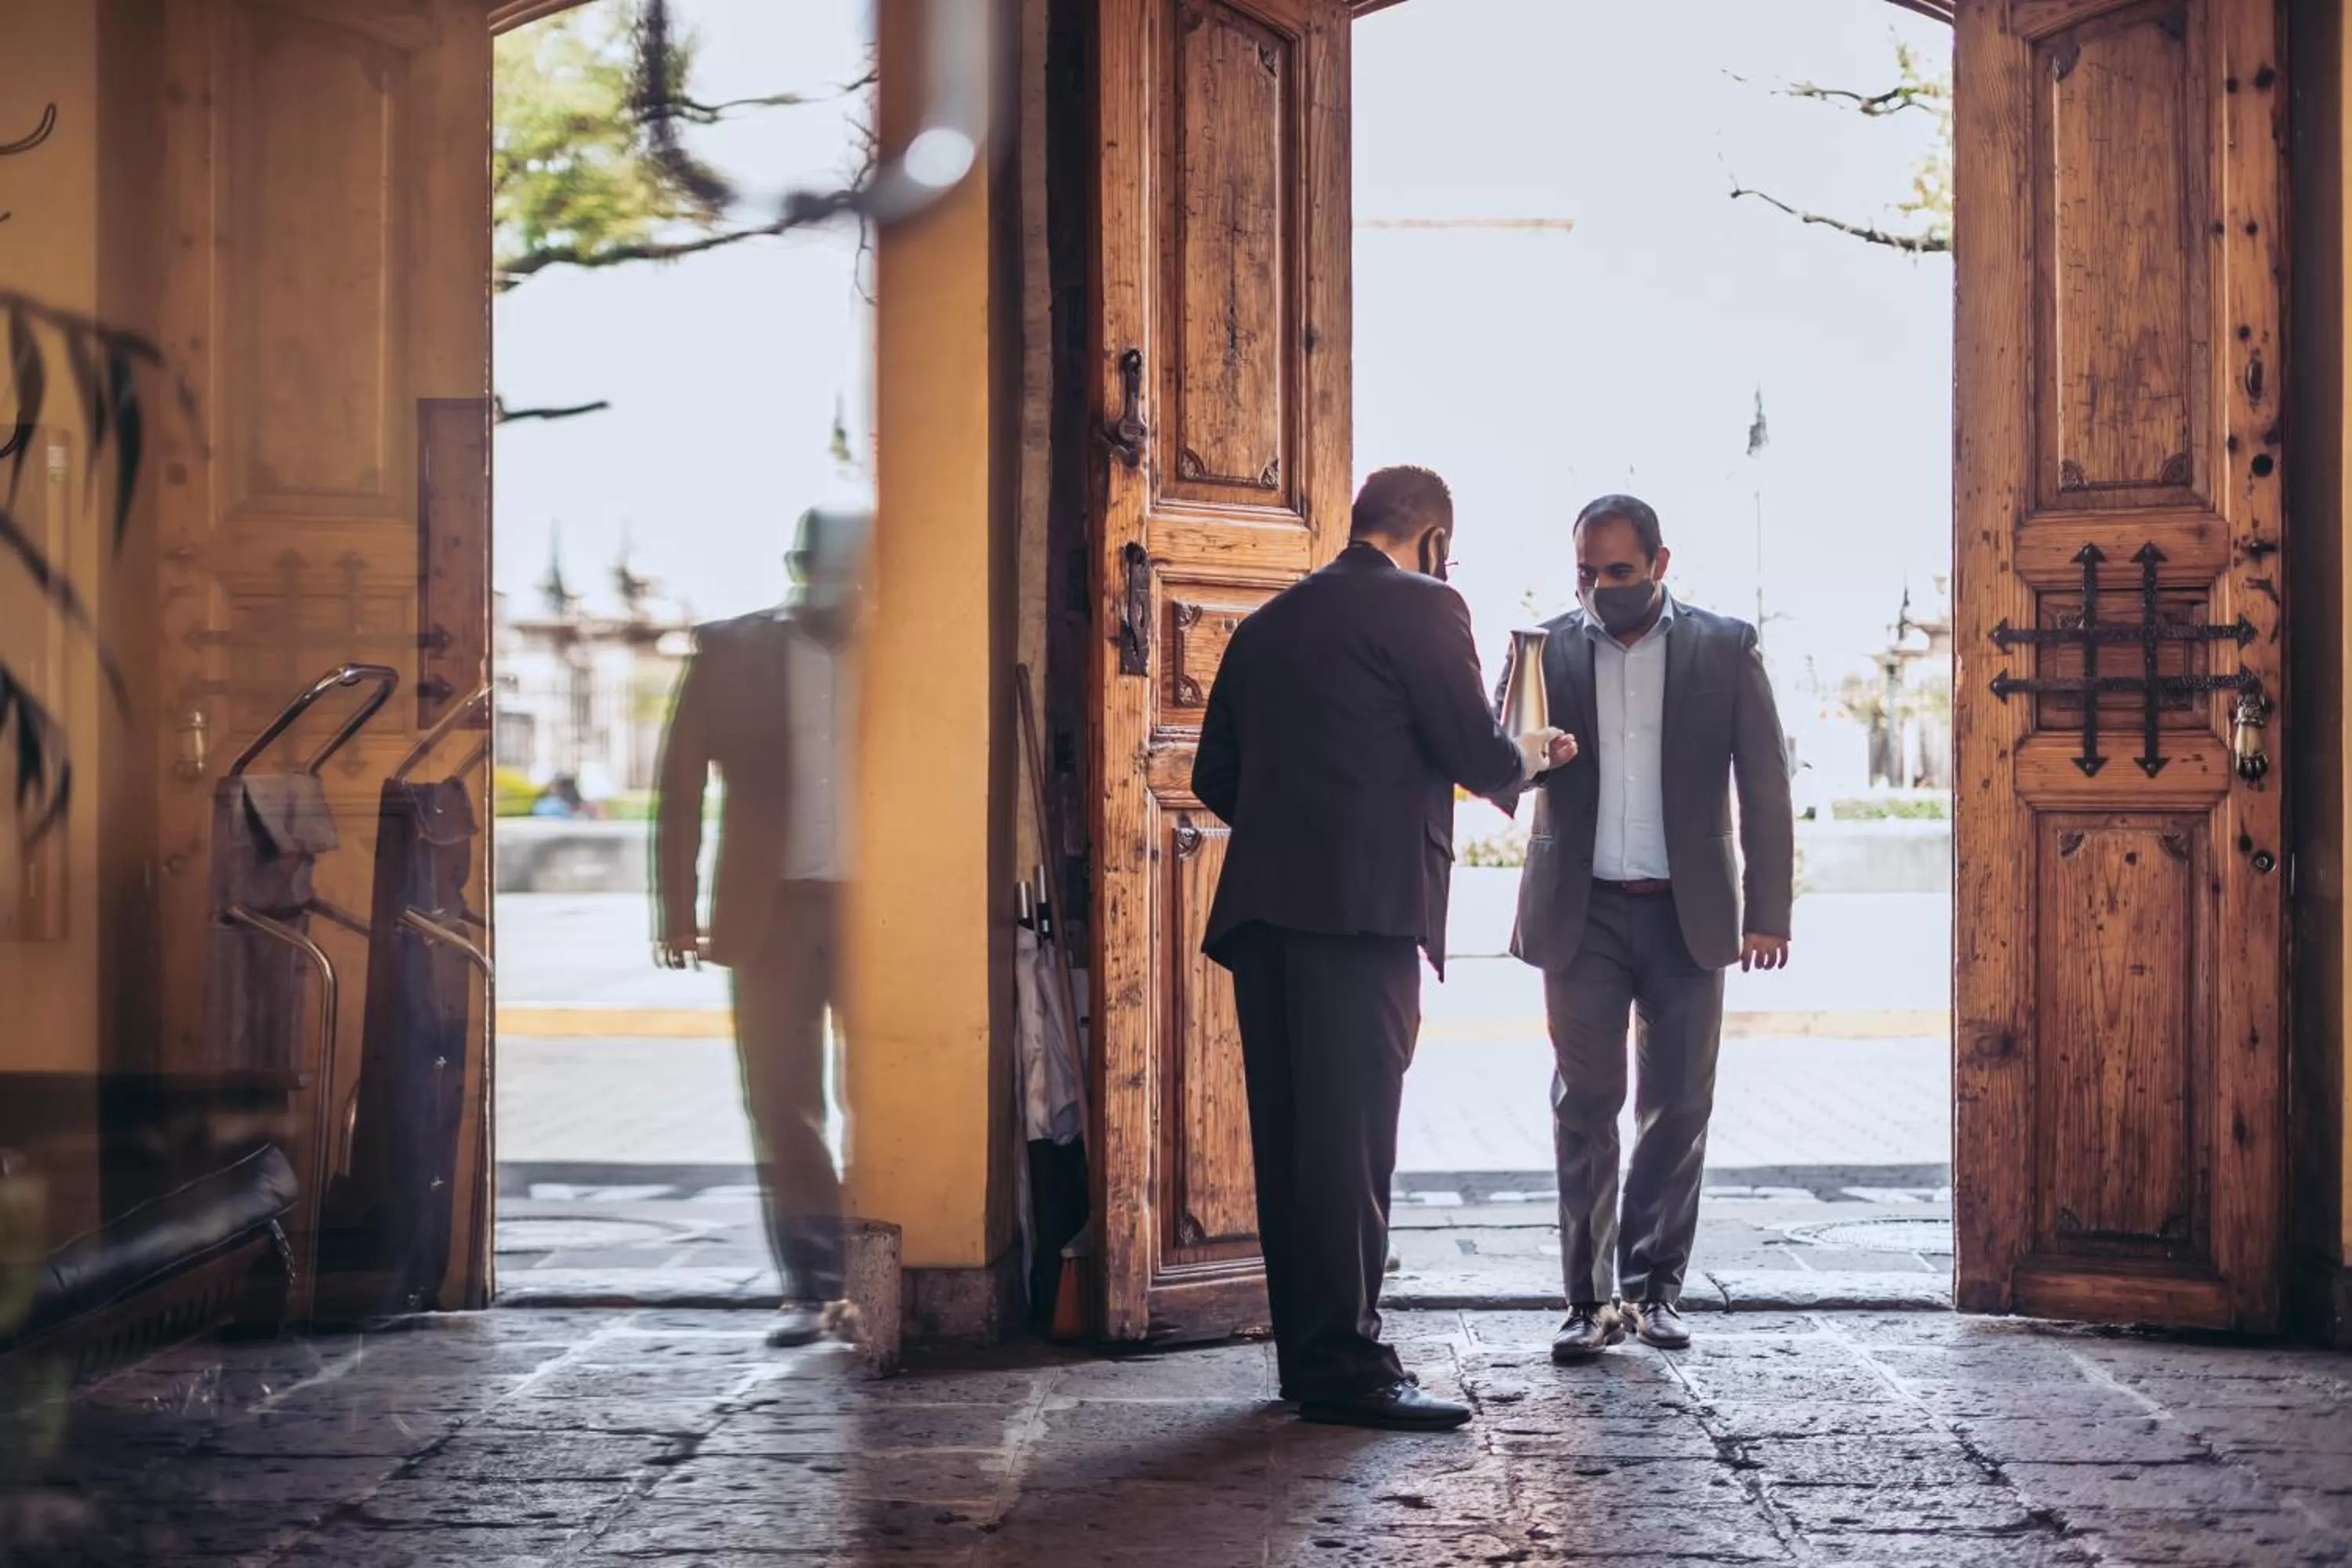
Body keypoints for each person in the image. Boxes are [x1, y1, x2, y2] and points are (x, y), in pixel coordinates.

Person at [1193, 465, 1573, 1432]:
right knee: (1351, 1147)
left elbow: (1213, 773)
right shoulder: (1427, 606)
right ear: (1435, 540)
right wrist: (1536, 753)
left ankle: (1309, 1358)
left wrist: (1299, 834)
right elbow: (1474, 750)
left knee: (1290, 1147)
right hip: (1361, 918)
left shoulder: (1268, 622)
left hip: (1265, 918)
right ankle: (1350, 1365)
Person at [1498, 493, 1793, 1362]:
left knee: (1678, 1106)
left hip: (1687, 912)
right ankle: (1587, 1302)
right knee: (1584, 1104)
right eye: (1585, 572)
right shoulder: (1543, 647)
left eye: (1618, 572)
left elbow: (1766, 784)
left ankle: (1653, 1290)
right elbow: (1491, 765)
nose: (1599, 588)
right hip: (1578, 911)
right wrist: (1524, 755)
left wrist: (1767, 912)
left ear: (1662, 565)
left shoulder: (1725, 646)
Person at [654, 505, 869, 1348]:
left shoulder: (906, 650)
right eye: (826, 564)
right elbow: (679, 786)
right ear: (794, 562)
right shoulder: (730, 650)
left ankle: (877, 1276)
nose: (842, 581)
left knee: (884, 1097)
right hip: (767, 912)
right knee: (782, 1101)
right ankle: (813, 1285)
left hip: (884, 913)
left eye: (856, 567)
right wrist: (677, 908)